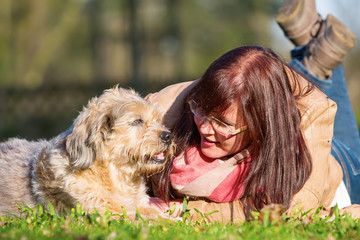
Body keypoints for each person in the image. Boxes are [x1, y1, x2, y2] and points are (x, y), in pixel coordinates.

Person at [145, 0, 360, 222]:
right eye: (201, 110)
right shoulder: (164, 110)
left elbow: (282, 213)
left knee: (275, 87)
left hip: (340, 168)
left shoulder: (310, 119)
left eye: (223, 123)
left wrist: (181, 209)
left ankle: (318, 59)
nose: (205, 128)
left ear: (260, 124)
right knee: (262, 81)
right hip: (270, 109)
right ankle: (317, 53)